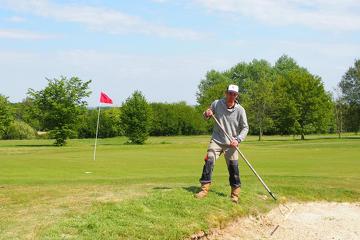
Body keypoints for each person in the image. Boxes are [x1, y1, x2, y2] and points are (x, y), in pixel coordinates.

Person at [195, 84, 249, 203]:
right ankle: (204, 189)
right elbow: (206, 115)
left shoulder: (240, 110)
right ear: (226, 93)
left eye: (234, 94)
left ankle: (235, 195)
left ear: (237, 96)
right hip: (217, 140)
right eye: (229, 93)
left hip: (232, 143)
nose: (231, 95)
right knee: (209, 160)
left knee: (233, 167)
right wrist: (207, 113)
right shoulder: (217, 103)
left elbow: (245, 128)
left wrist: (238, 139)